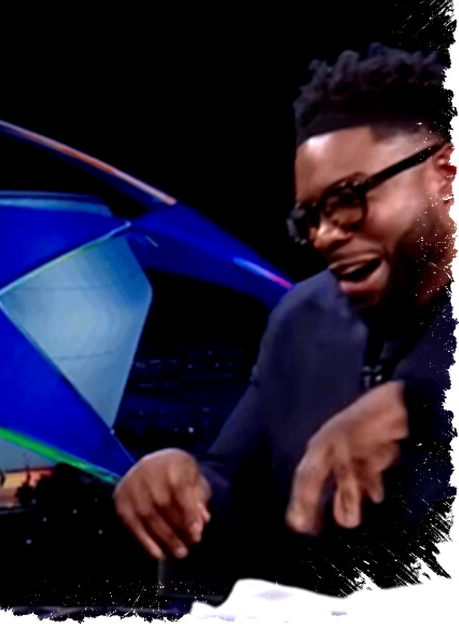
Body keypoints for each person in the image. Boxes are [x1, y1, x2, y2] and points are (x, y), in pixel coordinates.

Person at [113, 44, 456, 594]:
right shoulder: (302, 317)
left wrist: (421, 404)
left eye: (348, 198)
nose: (324, 236)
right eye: (311, 216)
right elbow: (234, 479)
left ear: (445, 175)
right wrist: (182, 484)